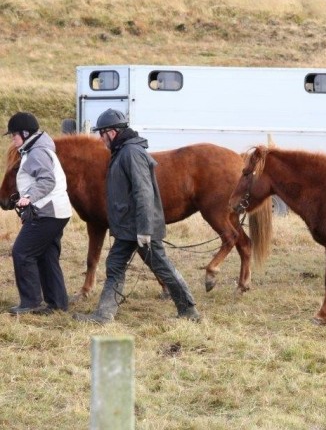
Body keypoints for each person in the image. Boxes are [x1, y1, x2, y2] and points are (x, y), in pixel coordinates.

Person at [73, 109, 200, 323]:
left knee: (162, 266)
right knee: (114, 265)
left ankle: (188, 311)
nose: (100, 139)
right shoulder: (122, 151)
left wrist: (144, 229)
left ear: (111, 132)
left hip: (139, 227)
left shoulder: (131, 153)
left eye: (101, 133)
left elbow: (143, 192)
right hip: (127, 227)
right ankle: (104, 315)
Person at [5, 112, 72, 315]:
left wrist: (29, 197)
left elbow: (47, 180)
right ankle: (57, 303)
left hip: (47, 213)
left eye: (14, 135)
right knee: (47, 255)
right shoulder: (37, 149)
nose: (12, 139)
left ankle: (31, 302)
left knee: (22, 252)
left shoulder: (36, 153)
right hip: (56, 211)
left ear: (25, 133)